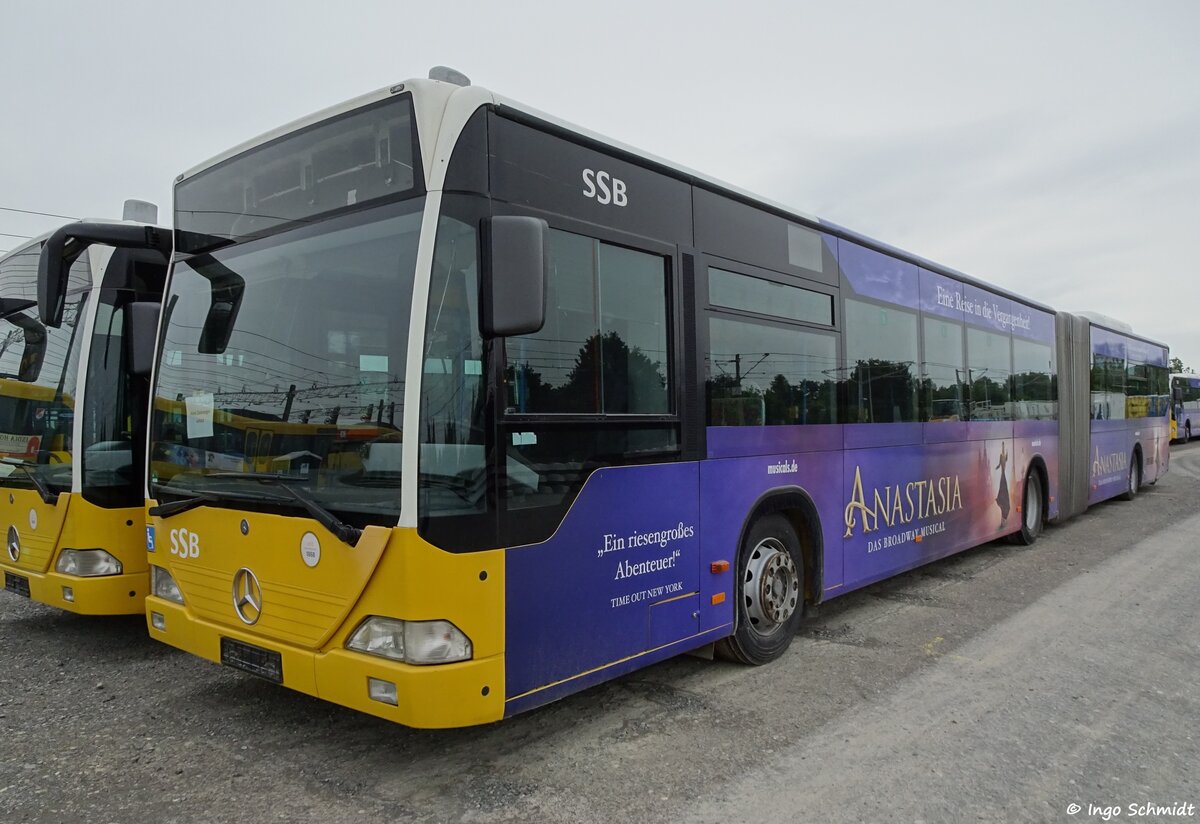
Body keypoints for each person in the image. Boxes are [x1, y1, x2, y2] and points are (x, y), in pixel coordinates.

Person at [995, 441, 1010, 528]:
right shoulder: (1001, 456)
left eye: (1004, 446)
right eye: (1002, 446)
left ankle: (1003, 520)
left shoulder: (1004, 456)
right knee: (1003, 495)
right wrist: (997, 467)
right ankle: (1003, 520)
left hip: (1003, 476)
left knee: (1003, 497)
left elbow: (1006, 460)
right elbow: (999, 464)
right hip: (1002, 475)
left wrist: (1007, 452)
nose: (1003, 448)